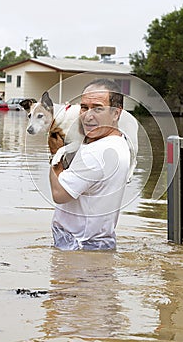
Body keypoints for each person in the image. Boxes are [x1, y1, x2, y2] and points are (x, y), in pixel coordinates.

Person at [49, 79, 131, 250]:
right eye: (84, 107)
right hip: (102, 242)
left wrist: (55, 157)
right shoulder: (119, 142)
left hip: (77, 247)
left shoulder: (95, 153)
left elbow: (59, 194)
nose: (88, 115)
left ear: (116, 113)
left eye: (98, 108)